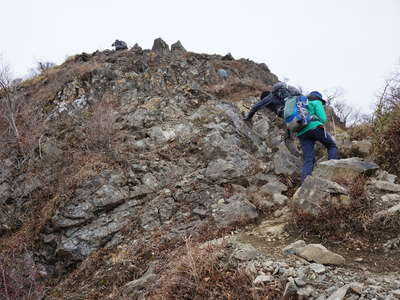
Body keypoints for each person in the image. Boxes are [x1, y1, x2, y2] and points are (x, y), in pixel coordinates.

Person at [297, 91, 337, 183]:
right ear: (318, 98)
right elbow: (323, 118)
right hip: (315, 128)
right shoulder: (316, 102)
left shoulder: (302, 104)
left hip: (302, 132)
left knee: (308, 159)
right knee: (331, 146)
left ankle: (305, 184)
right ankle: (332, 170)